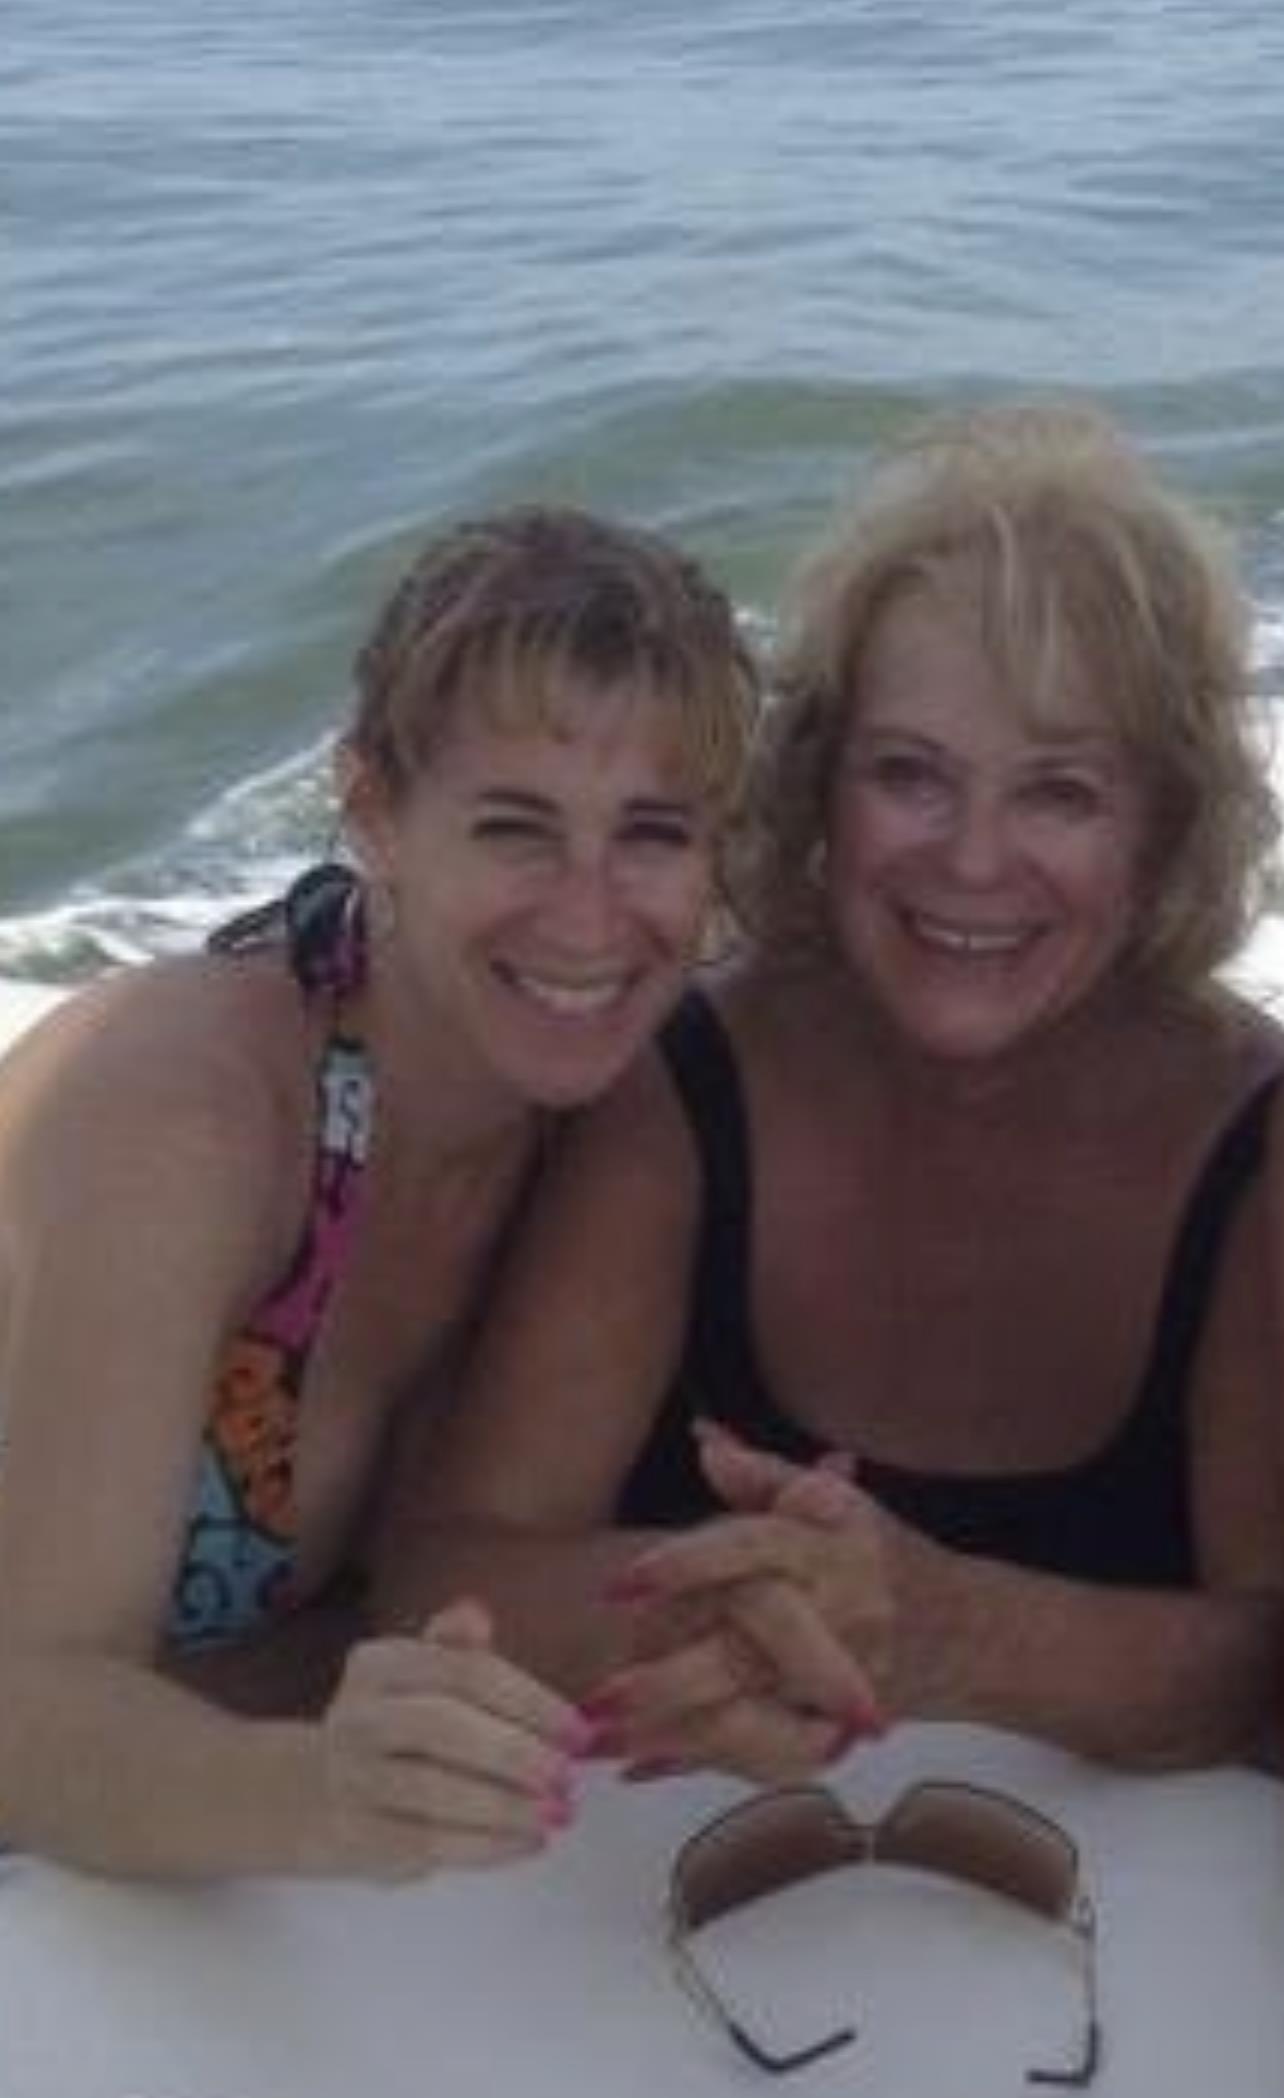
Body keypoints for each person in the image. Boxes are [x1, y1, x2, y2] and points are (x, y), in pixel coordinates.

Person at [374, 403, 1284, 1781]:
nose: (972, 860)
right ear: (821, 787)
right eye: (910, 774)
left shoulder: (1254, 1139)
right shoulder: (686, 1083)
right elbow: (443, 1569)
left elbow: (1260, 1671)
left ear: (1162, 828)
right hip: (683, 1890)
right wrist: (751, 1616)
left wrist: (956, 1631)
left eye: (1060, 792)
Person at [0, 505, 759, 1876]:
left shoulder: (611, 1124)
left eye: (651, 831)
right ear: (375, 815)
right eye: (516, 826)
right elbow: (24, 1710)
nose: (590, 916)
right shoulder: (190, 1116)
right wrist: (319, 1799)